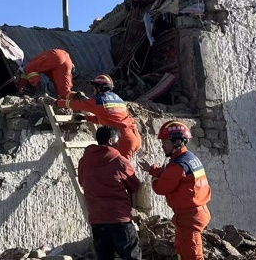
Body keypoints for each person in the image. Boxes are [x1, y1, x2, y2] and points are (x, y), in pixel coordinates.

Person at [138, 121, 212, 260]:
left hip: (189, 217)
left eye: (165, 142)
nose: (162, 146)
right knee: (182, 249)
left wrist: (154, 179)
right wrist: (153, 170)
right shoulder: (187, 158)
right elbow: (171, 174)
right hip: (195, 212)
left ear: (177, 141)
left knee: (192, 255)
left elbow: (161, 187)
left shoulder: (178, 165)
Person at [78, 126, 142, 260]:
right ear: (111, 141)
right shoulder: (120, 162)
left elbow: (82, 181)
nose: (120, 144)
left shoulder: (84, 161)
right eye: (118, 140)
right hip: (119, 220)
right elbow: (134, 186)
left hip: (97, 220)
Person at [42, 74, 141, 159]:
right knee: (118, 171)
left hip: (123, 139)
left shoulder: (98, 101)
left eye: (94, 88)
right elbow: (110, 119)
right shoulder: (118, 99)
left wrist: (56, 102)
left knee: (119, 173)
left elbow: (75, 104)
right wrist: (87, 118)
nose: (93, 90)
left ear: (99, 88)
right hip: (134, 136)